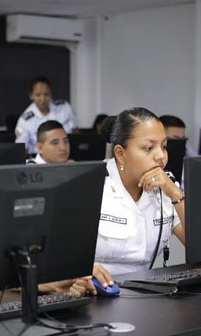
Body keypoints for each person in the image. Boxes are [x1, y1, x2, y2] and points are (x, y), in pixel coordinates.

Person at [91, 108, 186, 285]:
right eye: (148, 148)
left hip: (145, 294)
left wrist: (174, 193)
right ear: (120, 154)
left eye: (164, 146)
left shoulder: (166, 187)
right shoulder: (92, 187)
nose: (161, 156)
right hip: (97, 294)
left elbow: (199, 245)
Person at [15, 76, 78, 155]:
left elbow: (76, 133)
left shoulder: (65, 108)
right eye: (38, 95)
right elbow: (21, 149)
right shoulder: (25, 120)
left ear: (51, 93)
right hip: (39, 161)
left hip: (66, 156)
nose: (43, 99)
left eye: (46, 94)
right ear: (31, 95)